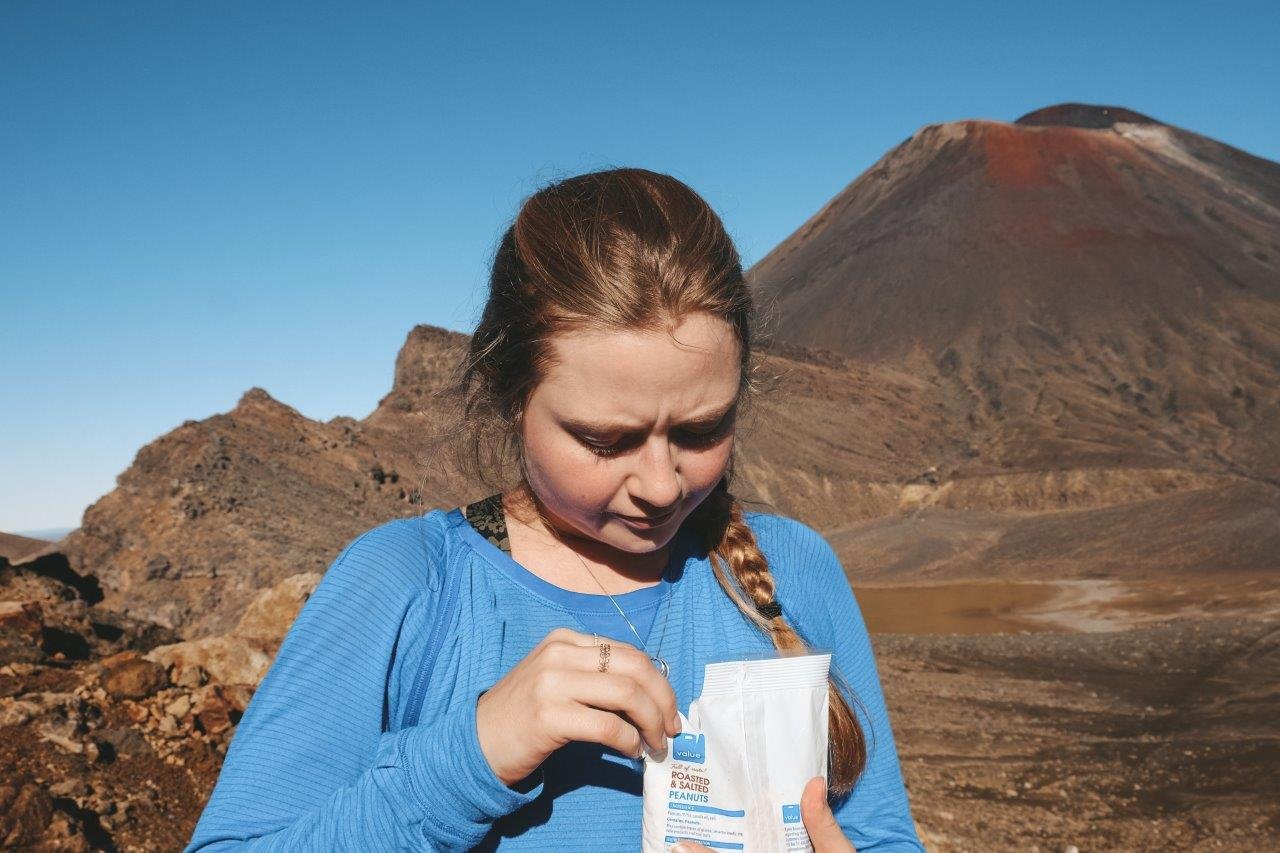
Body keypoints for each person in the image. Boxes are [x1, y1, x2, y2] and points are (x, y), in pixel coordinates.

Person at [186, 167, 924, 851]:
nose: (662, 484)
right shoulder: (404, 586)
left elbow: (879, 831)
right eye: (606, 440)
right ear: (512, 400)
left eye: (701, 430)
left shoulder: (794, 569)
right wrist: (471, 754)